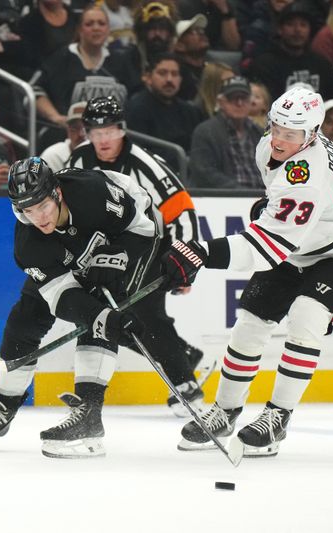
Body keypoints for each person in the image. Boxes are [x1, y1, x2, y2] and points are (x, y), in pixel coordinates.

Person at [162, 86, 333, 457]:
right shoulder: (272, 145)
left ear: (311, 135)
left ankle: (277, 417)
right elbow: (278, 219)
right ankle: (226, 411)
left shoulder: (309, 174)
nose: (278, 139)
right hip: (302, 246)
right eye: (275, 127)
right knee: (249, 321)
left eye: (290, 134)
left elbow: (265, 249)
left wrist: (201, 253)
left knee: (307, 315)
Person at [0, 157, 159, 457]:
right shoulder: (28, 242)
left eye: (42, 206)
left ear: (57, 194)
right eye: (27, 210)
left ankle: (90, 413)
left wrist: (119, 255)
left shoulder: (93, 193)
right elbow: (62, 297)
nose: (38, 217)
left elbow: (144, 229)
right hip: (70, 258)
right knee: (25, 318)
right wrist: (100, 318)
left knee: (103, 300)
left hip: (129, 233)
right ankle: (1, 409)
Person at [69, 95, 205, 415]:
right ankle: (182, 354)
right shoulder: (78, 161)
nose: (103, 139)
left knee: (149, 317)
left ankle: (186, 385)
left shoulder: (144, 163)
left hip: (149, 248)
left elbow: (182, 211)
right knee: (105, 318)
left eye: (110, 131)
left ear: (123, 130)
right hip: (103, 253)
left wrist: (185, 262)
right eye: (95, 132)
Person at [34, 5, 140, 128]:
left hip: (111, 136)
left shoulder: (121, 60)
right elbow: (35, 91)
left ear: (108, 30)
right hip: (71, 135)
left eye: (101, 24)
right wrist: (55, 117)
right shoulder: (62, 58)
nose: (96, 28)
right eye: (89, 24)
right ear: (79, 30)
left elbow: (136, 97)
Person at [246, 0, 333, 102]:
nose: (297, 30)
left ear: (310, 30)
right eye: (290, 24)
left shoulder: (321, 63)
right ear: (280, 29)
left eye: (303, 25)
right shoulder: (264, 65)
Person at [125, 52, 205, 165]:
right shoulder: (135, 109)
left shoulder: (191, 111)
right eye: (162, 73)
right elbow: (139, 154)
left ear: (181, 79)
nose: (169, 80)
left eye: (175, 74)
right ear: (147, 77)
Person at [189, 76, 263, 188]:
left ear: (250, 101)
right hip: (222, 199)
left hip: (262, 199)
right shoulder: (205, 131)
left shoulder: (259, 132)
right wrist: (242, 193)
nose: (239, 103)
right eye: (233, 98)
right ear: (221, 102)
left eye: (244, 98)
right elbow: (205, 174)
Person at [39, 101, 87, 171]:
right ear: (68, 131)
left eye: (86, 129)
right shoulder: (53, 156)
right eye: (74, 128)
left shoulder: (105, 155)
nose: (80, 134)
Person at [174, 14, 210, 101]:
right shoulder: (177, 74)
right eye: (193, 32)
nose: (201, 34)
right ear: (179, 46)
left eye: (201, 30)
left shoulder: (211, 69)